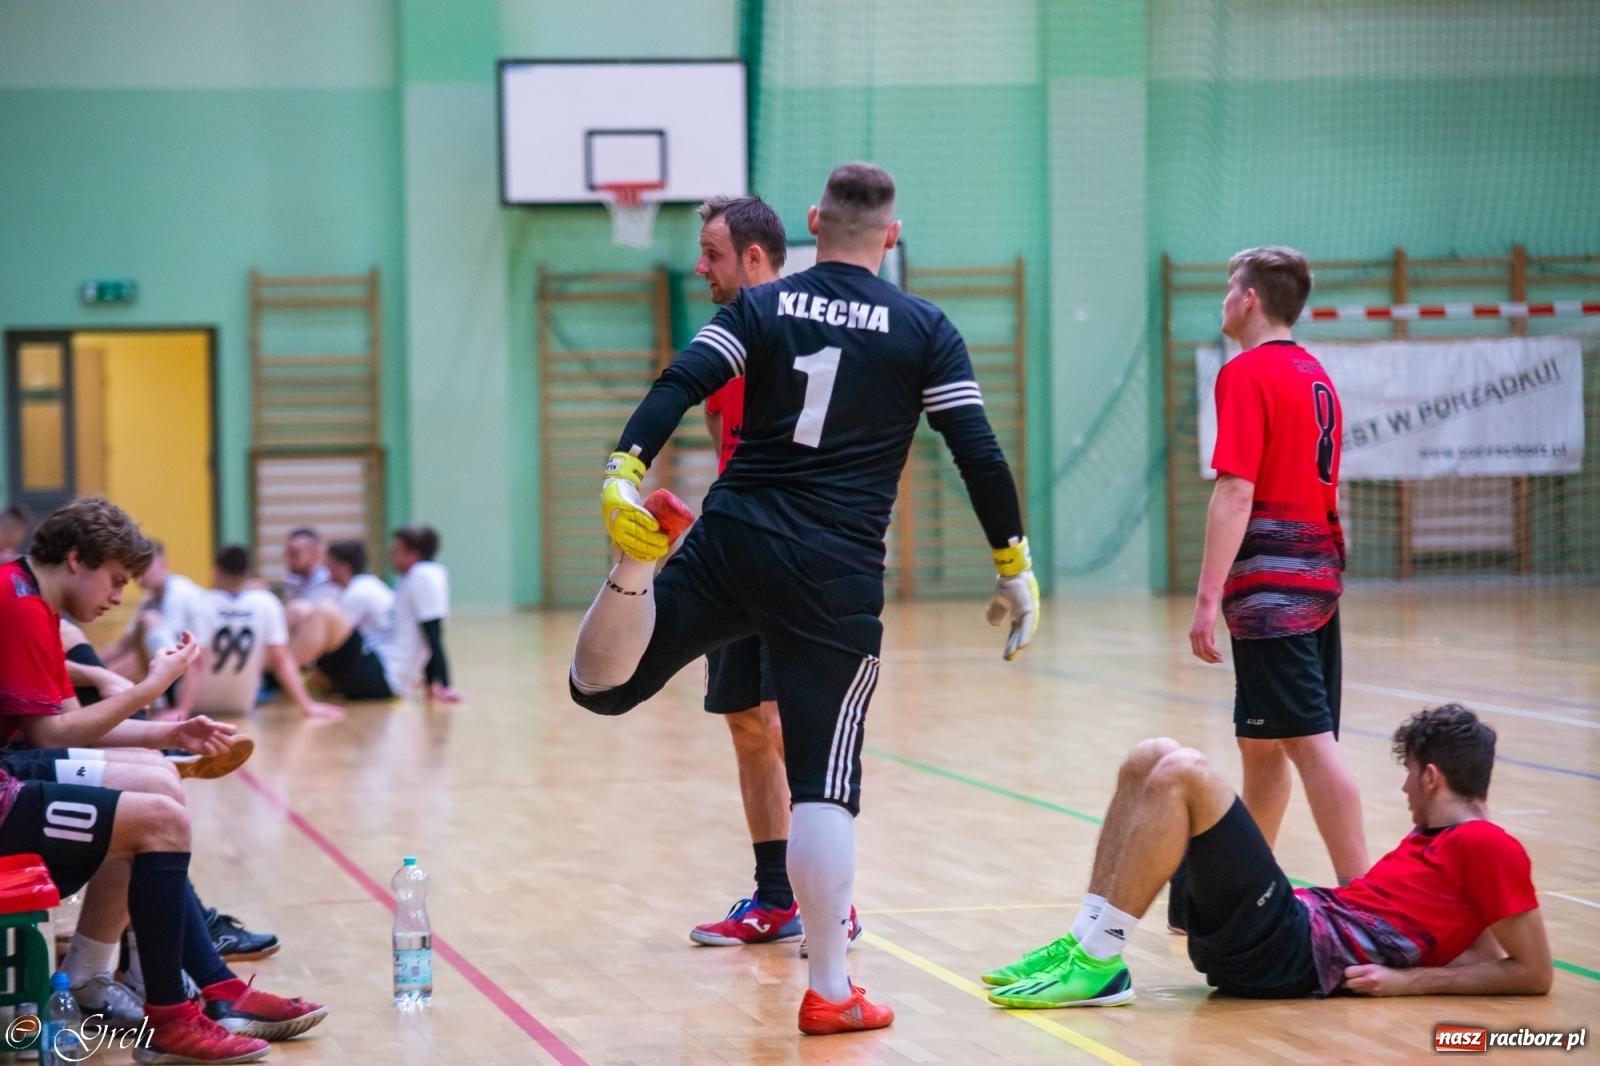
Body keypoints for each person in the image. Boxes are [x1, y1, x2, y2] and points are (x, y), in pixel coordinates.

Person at [568, 163, 1039, 1034]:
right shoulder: (925, 328)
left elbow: (679, 382)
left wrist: (622, 470)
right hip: (834, 570)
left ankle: (631, 567)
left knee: (602, 688)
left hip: (736, 535)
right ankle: (828, 990)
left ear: (814, 221)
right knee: (823, 784)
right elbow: (978, 453)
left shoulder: (760, 308)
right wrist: (1012, 562)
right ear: (890, 238)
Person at [0, 497, 327, 1061]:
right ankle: (172, 1011)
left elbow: (57, 727)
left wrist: (167, 737)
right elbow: (50, 736)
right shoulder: (22, 605)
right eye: (116, 580)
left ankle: (148, 983)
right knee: (159, 819)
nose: (118, 597)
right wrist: (150, 691)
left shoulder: (29, 594)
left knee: (157, 787)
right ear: (76, 559)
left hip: (10, 768)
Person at [982, 704, 1552, 1007]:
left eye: (1408, 776)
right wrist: (1425, 965)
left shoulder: (1486, 843)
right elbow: (1474, 949)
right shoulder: (1439, 843)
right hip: (1279, 932)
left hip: (1292, 949)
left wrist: (1408, 984)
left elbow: (1534, 973)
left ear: (1432, 777)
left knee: (1184, 772)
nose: (1404, 790)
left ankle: (1101, 964)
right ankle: (1085, 941)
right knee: (1151, 756)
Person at [683, 195, 842, 951]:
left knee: (788, 722)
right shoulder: (719, 342)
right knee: (747, 724)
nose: (699, 267)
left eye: (712, 253)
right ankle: (776, 896)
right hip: (733, 550)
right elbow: (722, 440)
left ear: (754, 257)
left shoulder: (809, 329)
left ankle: (831, 898)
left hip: (802, 553)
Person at [1187, 246, 1368, 885]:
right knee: (1261, 746)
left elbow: (1236, 490)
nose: (1224, 300)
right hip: (1318, 574)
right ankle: (1239, 890)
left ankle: (1366, 898)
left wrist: (1208, 598)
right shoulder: (1316, 374)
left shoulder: (1244, 373)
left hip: (1274, 588)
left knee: (1310, 746)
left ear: (1250, 300)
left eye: (1229, 287)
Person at [286, 526, 460, 703]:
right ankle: (279, 673)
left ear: (412, 556)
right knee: (301, 610)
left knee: (325, 611)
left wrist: (442, 684)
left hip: (384, 677)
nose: (390, 555)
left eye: (396, 550)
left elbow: (433, 633)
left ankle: (279, 675)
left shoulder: (423, 576)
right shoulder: (413, 578)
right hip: (376, 663)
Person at [170, 546, 344, 720]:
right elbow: (281, 659)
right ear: (248, 574)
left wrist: (182, 710)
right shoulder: (266, 602)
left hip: (198, 705)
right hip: (241, 704)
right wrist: (308, 705)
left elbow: (197, 662)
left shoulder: (201, 604)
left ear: (215, 572)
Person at [97, 540, 208, 685]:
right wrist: (90, 664)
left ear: (163, 563)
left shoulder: (180, 592)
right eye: (136, 569)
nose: (139, 575)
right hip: (181, 672)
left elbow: (162, 654)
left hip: (198, 677)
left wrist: (101, 677)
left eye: (145, 567)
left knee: (148, 621)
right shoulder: (150, 600)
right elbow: (124, 645)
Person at [326, 539, 394, 645]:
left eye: (330, 563)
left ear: (344, 567)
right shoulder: (367, 584)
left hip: (381, 654)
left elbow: (332, 633)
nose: (327, 569)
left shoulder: (358, 592)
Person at [281, 527, 336, 603]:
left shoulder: (333, 582)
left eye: (294, 554)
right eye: (287, 553)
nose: (289, 559)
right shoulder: (291, 581)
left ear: (315, 553)